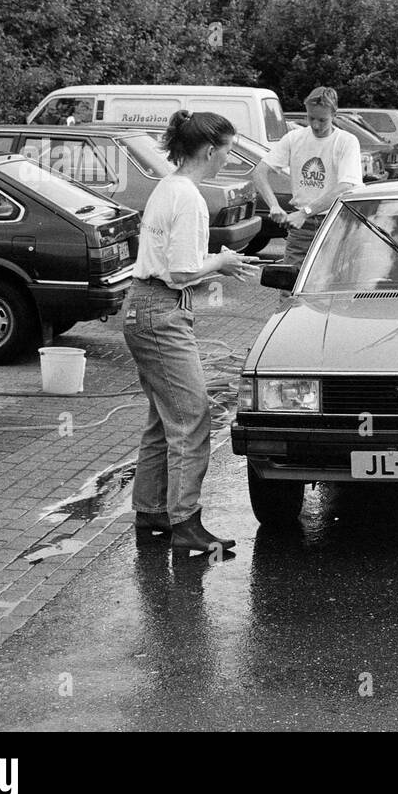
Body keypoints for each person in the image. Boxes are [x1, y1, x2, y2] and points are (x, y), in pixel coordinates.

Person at [125, 111, 260, 555]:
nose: (228, 157)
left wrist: (217, 260)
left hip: (144, 306)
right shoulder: (189, 197)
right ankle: (186, 521)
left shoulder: (169, 186)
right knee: (192, 417)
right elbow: (182, 271)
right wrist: (220, 262)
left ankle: (150, 510)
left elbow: (174, 257)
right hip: (161, 311)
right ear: (209, 150)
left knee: (163, 418)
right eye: (227, 149)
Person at [250, 86, 362, 280]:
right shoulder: (294, 138)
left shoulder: (346, 141)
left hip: (337, 221)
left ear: (334, 114)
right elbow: (260, 172)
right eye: (311, 118)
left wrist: (305, 212)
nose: (316, 125)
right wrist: (274, 205)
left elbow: (346, 186)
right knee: (289, 284)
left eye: (322, 120)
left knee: (332, 283)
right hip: (301, 228)